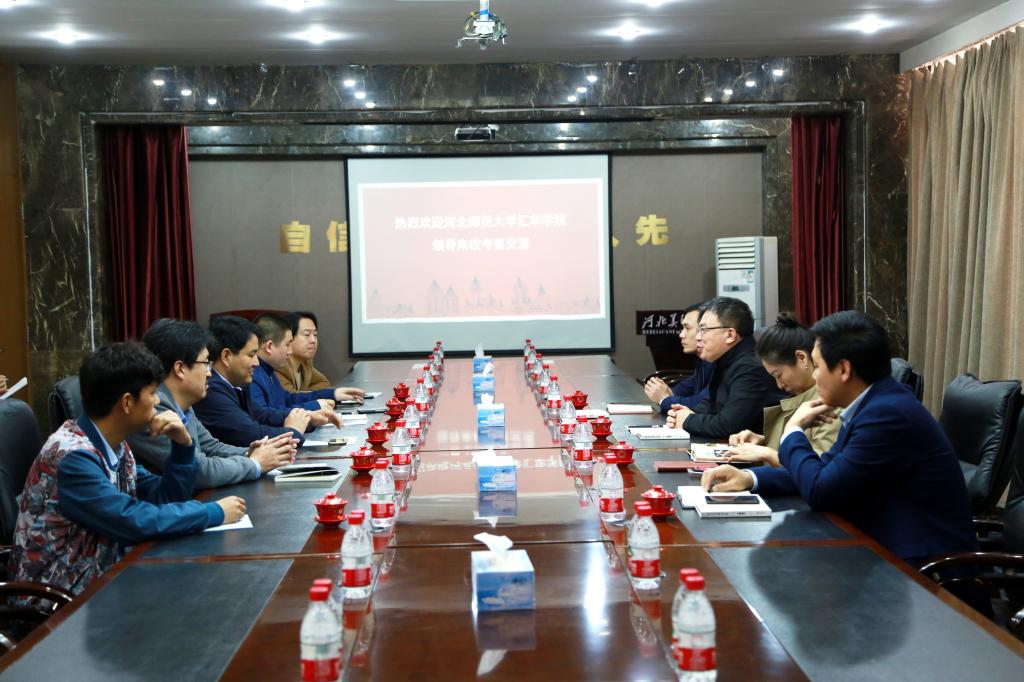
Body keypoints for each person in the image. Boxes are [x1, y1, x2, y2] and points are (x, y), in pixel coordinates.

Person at [701, 310, 980, 566]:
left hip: (920, 571)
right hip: (877, 547)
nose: (816, 375)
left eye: (819, 366)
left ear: (844, 369)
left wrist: (793, 431)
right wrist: (750, 479)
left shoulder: (886, 415)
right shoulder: (872, 405)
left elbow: (821, 490)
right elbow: (827, 472)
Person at [9, 343, 246, 596]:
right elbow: (133, 520)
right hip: (58, 600)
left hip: (102, 577)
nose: (158, 401)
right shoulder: (73, 457)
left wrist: (183, 446)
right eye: (153, 393)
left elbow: (163, 497)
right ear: (127, 403)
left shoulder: (115, 444)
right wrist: (213, 512)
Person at [128, 319, 297, 490]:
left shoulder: (182, 402)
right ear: (180, 369)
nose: (209, 373)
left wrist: (250, 453)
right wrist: (254, 464)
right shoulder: (154, 408)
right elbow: (200, 471)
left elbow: (211, 447)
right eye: (205, 363)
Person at [724, 313, 841, 466]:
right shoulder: (801, 396)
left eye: (778, 375)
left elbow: (816, 469)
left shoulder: (829, 401)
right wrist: (763, 441)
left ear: (802, 358)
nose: (779, 385)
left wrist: (766, 453)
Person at [666, 297, 786, 438]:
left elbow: (729, 426)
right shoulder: (726, 359)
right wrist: (687, 412)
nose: (698, 337)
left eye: (703, 330)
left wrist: (688, 420)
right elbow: (713, 404)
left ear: (730, 335)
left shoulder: (751, 368)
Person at [193, 315, 312, 447]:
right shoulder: (211, 391)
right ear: (227, 356)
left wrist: (306, 418)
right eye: (251, 355)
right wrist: (293, 432)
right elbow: (250, 433)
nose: (256, 362)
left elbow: (260, 415)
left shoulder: (239, 384)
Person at [249, 313, 355, 428]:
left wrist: (332, 394)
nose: (290, 351)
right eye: (287, 345)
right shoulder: (252, 373)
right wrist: (312, 408)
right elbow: (263, 415)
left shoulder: (268, 370)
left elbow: (287, 399)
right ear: (269, 347)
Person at [643, 303, 714, 415]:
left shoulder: (721, 363)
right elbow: (688, 387)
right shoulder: (704, 361)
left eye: (687, 328)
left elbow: (701, 404)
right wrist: (667, 392)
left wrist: (664, 399)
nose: (681, 335)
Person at [277, 311, 363, 403]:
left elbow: (324, 384)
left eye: (315, 335)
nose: (313, 340)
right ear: (289, 337)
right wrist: (316, 395)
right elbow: (289, 399)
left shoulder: (305, 362)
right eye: (306, 335)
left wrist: (307, 394)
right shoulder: (279, 364)